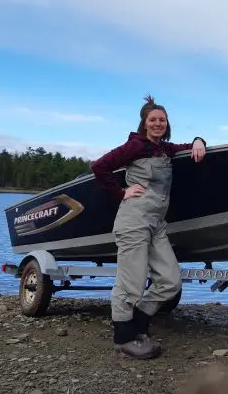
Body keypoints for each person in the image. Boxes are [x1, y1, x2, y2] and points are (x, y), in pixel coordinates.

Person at [91, 94, 207, 359]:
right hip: (134, 220)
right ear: (144, 123)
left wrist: (199, 141)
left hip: (157, 223)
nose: (158, 124)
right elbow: (100, 167)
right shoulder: (135, 146)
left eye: (162, 120)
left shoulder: (164, 149)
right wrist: (121, 192)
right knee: (131, 282)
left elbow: (185, 145)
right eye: (152, 120)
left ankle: (138, 325)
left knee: (170, 280)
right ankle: (122, 336)